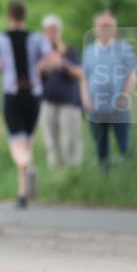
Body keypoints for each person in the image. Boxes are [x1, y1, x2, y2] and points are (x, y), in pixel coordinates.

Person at [0, 0, 50, 208]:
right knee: (27, 141)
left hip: (12, 94)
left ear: (8, 16)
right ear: (25, 17)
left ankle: (27, 166)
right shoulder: (37, 38)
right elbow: (52, 60)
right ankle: (22, 194)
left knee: (16, 143)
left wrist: (1, 66)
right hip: (33, 94)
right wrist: (38, 69)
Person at [80, 10, 137, 172]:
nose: (105, 28)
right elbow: (84, 78)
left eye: (109, 25)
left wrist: (125, 96)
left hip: (118, 107)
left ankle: (129, 179)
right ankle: (104, 181)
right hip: (96, 108)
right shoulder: (89, 51)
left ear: (115, 28)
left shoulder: (124, 48)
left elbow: (132, 75)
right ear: (95, 28)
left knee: (124, 145)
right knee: (101, 147)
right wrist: (85, 99)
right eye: (102, 25)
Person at [37, 15, 84, 169]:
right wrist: (45, 66)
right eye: (48, 30)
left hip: (69, 103)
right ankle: (56, 175)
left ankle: (72, 173)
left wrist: (63, 62)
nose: (51, 34)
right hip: (48, 103)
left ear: (60, 31)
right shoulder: (41, 54)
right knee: (51, 142)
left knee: (69, 141)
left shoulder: (69, 51)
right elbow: (34, 74)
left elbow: (80, 74)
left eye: (54, 30)